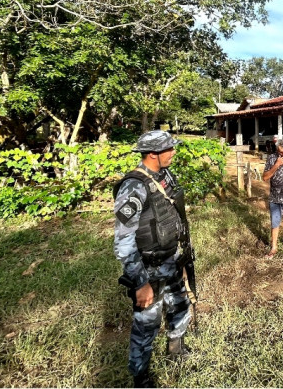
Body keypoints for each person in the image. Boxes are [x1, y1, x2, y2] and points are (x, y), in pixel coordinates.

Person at [113, 130, 194, 388]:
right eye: (168, 149)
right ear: (152, 154)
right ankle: (141, 376)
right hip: (148, 268)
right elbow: (123, 242)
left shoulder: (165, 175)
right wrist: (140, 283)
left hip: (172, 258)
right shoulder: (133, 187)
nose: (173, 153)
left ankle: (175, 347)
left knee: (180, 305)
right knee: (146, 324)